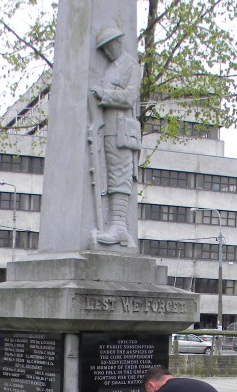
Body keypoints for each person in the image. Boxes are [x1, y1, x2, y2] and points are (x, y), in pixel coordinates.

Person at [89, 26, 141, 247]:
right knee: (110, 175)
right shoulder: (111, 67)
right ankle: (115, 226)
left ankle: (119, 226)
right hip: (108, 128)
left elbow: (129, 97)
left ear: (118, 42)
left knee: (120, 174)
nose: (107, 52)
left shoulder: (131, 66)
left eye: (108, 47)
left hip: (122, 129)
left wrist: (104, 95)